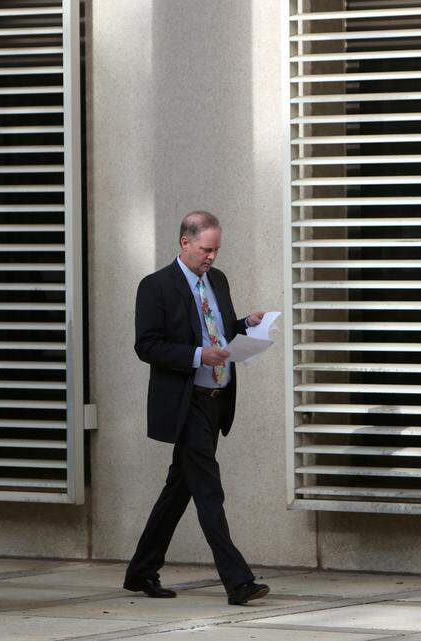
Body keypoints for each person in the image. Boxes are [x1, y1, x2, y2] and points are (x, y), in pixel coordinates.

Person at [122, 211, 270, 606]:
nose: (212, 257)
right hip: (185, 404)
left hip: (216, 402)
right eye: (206, 249)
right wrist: (196, 356)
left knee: (179, 490)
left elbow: (217, 330)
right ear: (185, 242)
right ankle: (238, 582)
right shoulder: (155, 286)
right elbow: (147, 345)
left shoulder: (217, 280)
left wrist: (246, 325)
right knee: (208, 490)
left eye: (216, 249)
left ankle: (141, 571)